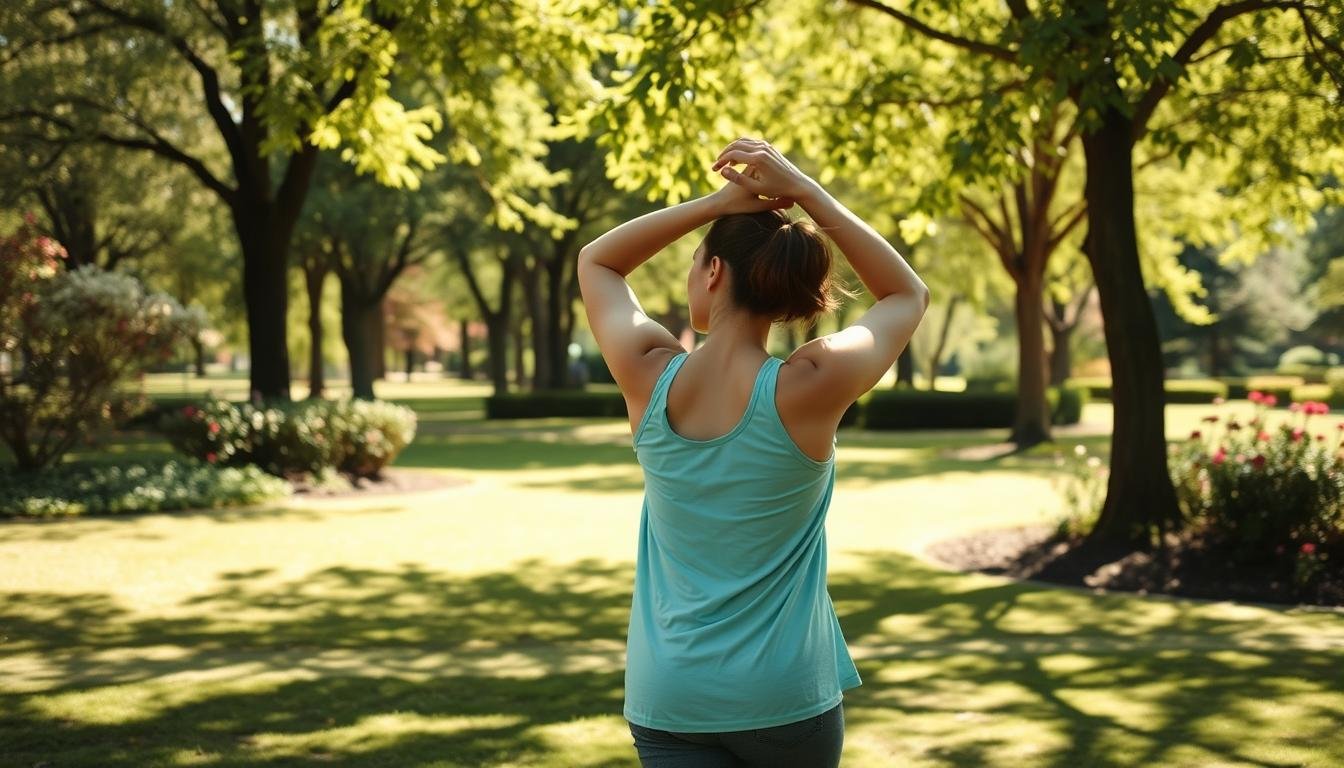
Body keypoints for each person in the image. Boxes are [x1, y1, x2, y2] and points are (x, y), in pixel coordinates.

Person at [577, 138, 930, 767]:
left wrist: (717, 204)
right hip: (785, 697)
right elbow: (905, 296)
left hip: (672, 696)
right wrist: (806, 193)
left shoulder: (647, 376)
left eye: (696, 262)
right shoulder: (808, 386)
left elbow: (598, 263)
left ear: (713, 272)